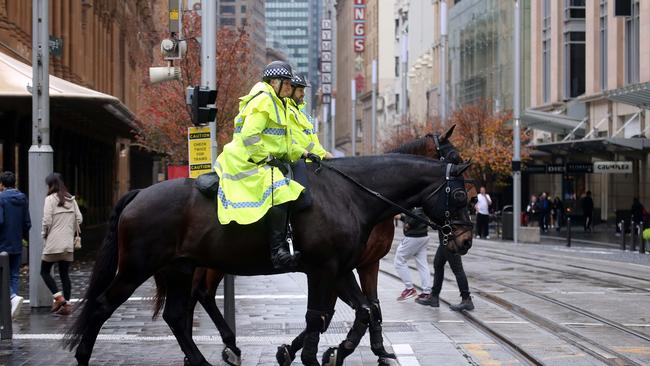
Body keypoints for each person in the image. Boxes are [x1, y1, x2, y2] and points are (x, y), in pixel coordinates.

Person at [215, 61, 320, 270]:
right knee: (279, 189)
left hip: (262, 158)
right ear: (274, 82)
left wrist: (306, 153)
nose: (290, 88)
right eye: (287, 83)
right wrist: (268, 158)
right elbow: (250, 136)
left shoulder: (277, 102)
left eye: (291, 84)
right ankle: (277, 252)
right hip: (246, 160)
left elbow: (285, 142)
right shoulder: (264, 100)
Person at [40, 173, 82, 315]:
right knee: (64, 274)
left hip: (53, 243)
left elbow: (46, 221)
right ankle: (67, 306)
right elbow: (79, 219)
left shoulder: (49, 199)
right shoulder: (71, 199)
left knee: (44, 271)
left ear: (51, 185)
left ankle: (58, 298)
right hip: (68, 244)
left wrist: (43, 236)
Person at [415, 232, 473, 311]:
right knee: (438, 264)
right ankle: (434, 297)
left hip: (451, 240)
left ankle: (466, 299)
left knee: (457, 269)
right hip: (445, 239)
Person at [0, 171, 31, 318]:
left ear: (2, 184)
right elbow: (27, 223)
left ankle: (12, 297)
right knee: (14, 274)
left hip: (2, 244)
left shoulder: (1, 198)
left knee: (2, 274)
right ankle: (13, 303)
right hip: (17, 242)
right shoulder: (23, 198)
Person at [286, 73, 332, 160]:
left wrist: (322, 153)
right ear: (291, 90)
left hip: (311, 160)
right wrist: (324, 154)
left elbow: (314, 142)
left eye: (304, 90)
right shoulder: (288, 111)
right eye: (300, 90)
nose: (303, 94)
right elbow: (302, 142)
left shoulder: (301, 114)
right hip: (302, 161)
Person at [394, 207, 432, 302]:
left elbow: (417, 215)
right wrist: (402, 218)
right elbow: (414, 215)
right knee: (422, 264)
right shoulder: (419, 204)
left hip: (413, 237)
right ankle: (427, 292)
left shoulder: (417, 204)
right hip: (423, 236)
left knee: (399, 261)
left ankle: (409, 288)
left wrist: (409, 224)